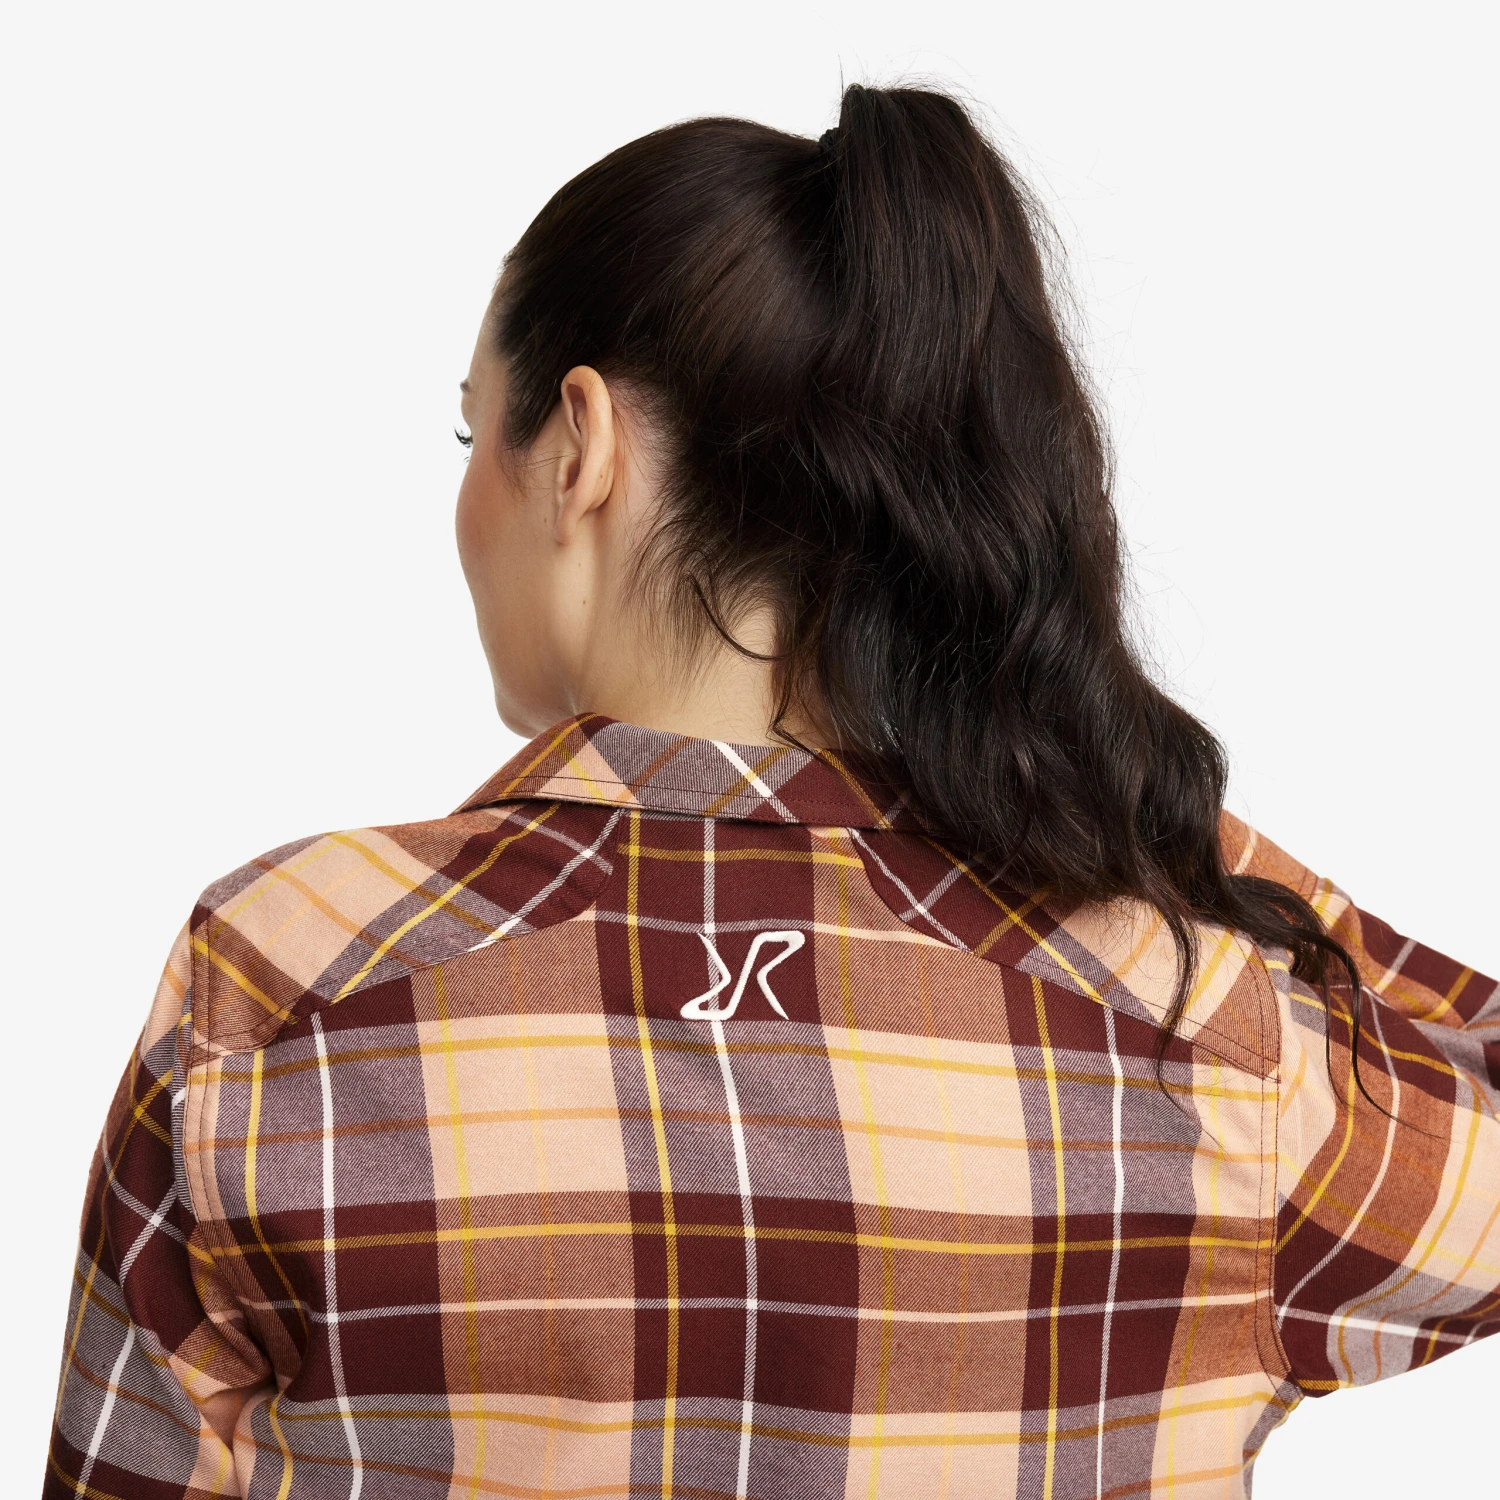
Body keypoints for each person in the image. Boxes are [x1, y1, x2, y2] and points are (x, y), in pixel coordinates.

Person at [44, 82, 1497, 1500]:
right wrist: (1129, 812)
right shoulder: (1206, 1035)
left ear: (582, 448)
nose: (465, 499)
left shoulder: (283, 983)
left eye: (473, 431)